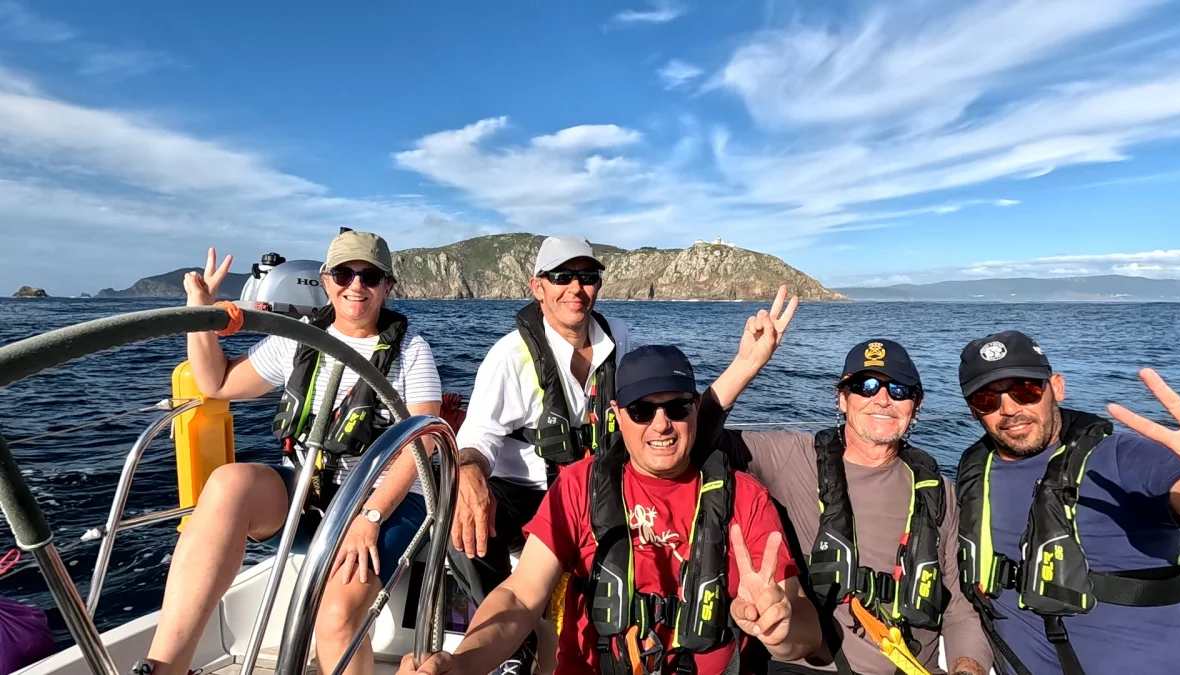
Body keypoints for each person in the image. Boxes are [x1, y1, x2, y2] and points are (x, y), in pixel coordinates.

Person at [398, 344, 825, 675]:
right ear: (618, 416)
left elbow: (804, 627)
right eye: (642, 410)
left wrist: (780, 630)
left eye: (677, 407)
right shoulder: (580, 485)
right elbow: (521, 595)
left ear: (696, 409)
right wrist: (463, 663)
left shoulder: (744, 497)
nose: (661, 424)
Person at [135, 231, 444, 675]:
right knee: (229, 483)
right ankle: (166, 665)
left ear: (387, 286)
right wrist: (199, 312)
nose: (356, 285)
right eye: (344, 274)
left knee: (334, 617)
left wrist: (369, 518)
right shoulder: (298, 340)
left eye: (370, 276)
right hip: (309, 495)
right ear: (326, 280)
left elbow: (423, 440)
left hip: (384, 504)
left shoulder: (411, 351)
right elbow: (217, 383)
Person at [696, 339, 992, 675]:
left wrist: (967, 668)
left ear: (916, 405)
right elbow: (694, 440)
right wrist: (746, 364)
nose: (882, 399)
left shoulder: (939, 492)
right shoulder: (793, 457)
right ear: (842, 398)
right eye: (866, 386)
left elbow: (959, 611)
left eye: (899, 390)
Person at [954, 331, 1180, 675]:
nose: (1009, 409)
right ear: (972, 410)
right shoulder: (975, 473)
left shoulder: (1125, 457)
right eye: (986, 399)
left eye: (1026, 390)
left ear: (1057, 387)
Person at [447, 235, 629, 672]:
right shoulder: (509, 357)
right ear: (538, 287)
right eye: (562, 277)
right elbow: (479, 434)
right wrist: (468, 472)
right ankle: (513, 646)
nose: (575, 288)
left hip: (592, 489)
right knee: (461, 528)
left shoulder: (618, 338)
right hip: (525, 492)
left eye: (587, 276)